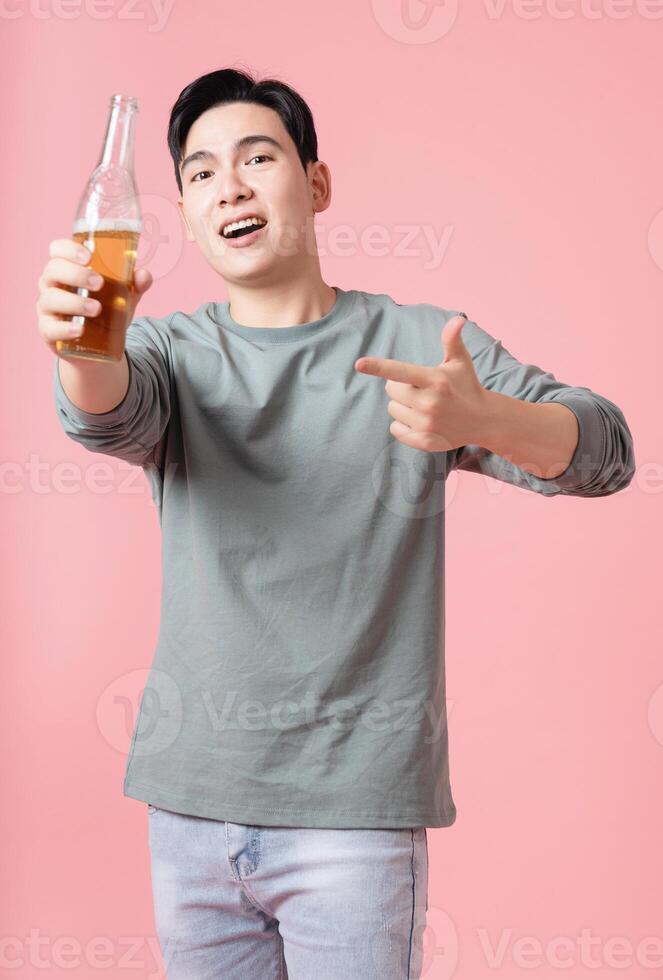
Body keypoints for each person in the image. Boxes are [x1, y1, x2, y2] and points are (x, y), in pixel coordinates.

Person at [38, 68, 635, 980]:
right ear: (188, 216)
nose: (228, 185)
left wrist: (485, 422)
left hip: (353, 819)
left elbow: (606, 451)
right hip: (190, 809)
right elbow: (105, 409)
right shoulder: (170, 352)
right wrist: (85, 343)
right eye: (199, 174)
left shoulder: (419, 343)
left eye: (257, 157)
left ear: (314, 186)